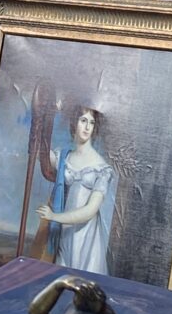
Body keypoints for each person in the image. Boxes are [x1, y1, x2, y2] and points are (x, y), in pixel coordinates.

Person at [34, 106, 117, 273]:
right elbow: (40, 153)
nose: (87, 127)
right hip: (66, 234)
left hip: (86, 237)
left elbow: (90, 210)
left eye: (91, 123)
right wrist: (43, 121)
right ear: (74, 123)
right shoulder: (64, 157)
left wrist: (54, 216)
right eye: (83, 120)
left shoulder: (101, 168)